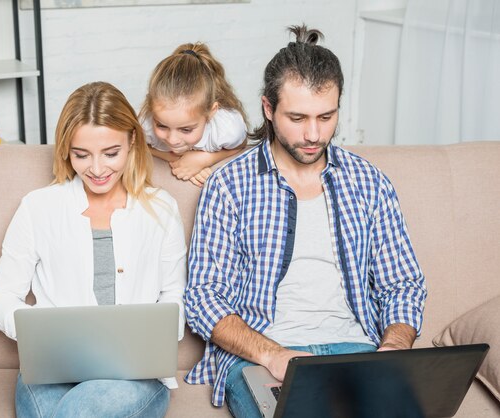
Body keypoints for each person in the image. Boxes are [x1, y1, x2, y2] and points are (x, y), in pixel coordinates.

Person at [183, 25, 427, 417]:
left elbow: (403, 284)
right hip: (263, 356)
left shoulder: (370, 183)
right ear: (268, 108)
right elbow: (204, 297)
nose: (313, 134)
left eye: (326, 116)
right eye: (297, 117)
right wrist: (273, 354)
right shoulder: (229, 185)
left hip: (356, 350)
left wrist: (395, 347)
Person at [0, 81, 187, 418]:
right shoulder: (38, 207)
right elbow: (0, 297)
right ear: (66, 149)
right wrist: (38, 331)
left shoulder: (160, 208)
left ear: (133, 141)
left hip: (133, 376)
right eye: (81, 155)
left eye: (111, 153)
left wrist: (155, 338)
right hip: (52, 372)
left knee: (80, 411)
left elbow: (175, 295)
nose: (96, 169)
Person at [139, 42, 249, 187]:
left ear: (211, 112)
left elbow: (242, 144)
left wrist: (205, 159)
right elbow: (136, 145)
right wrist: (179, 160)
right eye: (162, 126)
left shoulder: (227, 128)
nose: (172, 140)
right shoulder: (145, 124)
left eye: (186, 129)